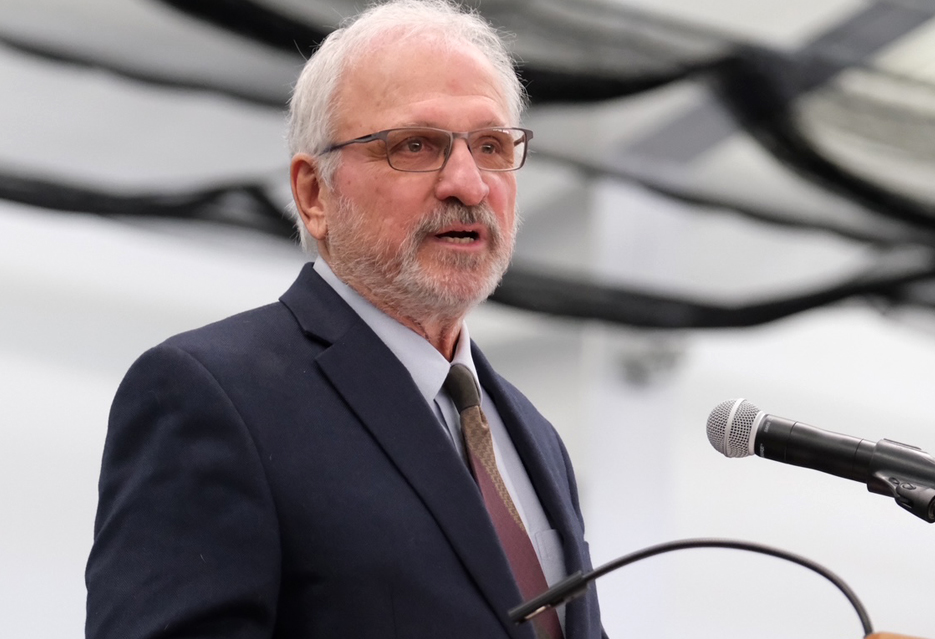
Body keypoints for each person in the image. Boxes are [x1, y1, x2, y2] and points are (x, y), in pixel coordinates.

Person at [85, 1, 604, 637]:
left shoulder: (532, 433)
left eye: (492, 146)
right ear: (313, 193)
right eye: (416, 145)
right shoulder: (214, 395)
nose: (469, 184)